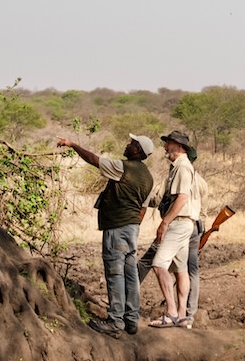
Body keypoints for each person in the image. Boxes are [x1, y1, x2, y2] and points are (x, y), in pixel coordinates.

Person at [57, 133, 154, 336]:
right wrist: (132, 225)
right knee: (131, 274)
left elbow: (94, 160)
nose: (128, 145)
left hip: (117, 227)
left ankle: (115, 321)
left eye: (132, 144)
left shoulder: (122, 167)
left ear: (138, 150)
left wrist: (72, 144)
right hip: (132, 228)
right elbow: (142, 210)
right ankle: (131, 319)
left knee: (115, 273)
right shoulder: (148, 177)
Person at [144, 130, 202, 328]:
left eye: (167, 144)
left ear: (177, 146)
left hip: (179, 222)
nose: (165, 148)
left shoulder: (182, 167)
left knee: (159, 265)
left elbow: (182, 197)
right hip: (186, 223)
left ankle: (170, 313)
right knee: (180, 269)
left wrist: (165, 222)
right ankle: (183, 315)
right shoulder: (181, 166)